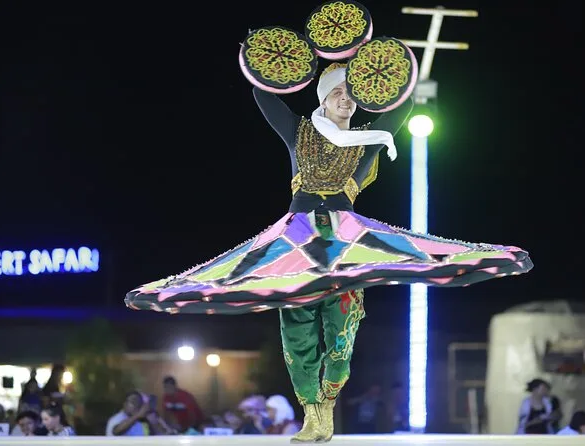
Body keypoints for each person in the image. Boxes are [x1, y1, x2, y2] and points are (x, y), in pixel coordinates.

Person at [125, 58, 533, 443]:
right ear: (322, 98)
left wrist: (380, 67)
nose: (346, 99)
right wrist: (279, 63)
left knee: (341, 337)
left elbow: (403, 105)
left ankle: (329, 401)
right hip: (294, 243)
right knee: (297, 334)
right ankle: (311, 411)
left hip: (347, 244)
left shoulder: (368, 140)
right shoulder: (299, 131)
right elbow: (262, 94)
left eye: (352, 93)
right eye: (338, 91)